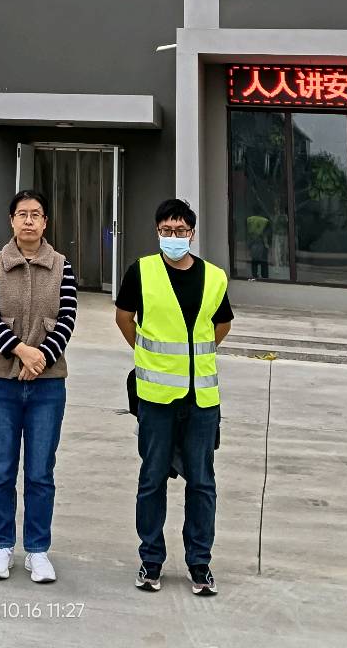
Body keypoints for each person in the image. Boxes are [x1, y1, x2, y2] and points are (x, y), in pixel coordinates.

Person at [115, 198, 233, 597]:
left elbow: (222, 324)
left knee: (202, 483)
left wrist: (195, 357)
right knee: (152, 479)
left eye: (180, 231)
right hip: (156, 398)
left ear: (192, 234)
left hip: (201, 400)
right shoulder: (142, 271)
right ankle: (151, 560)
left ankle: (200, 563)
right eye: (166, 230)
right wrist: (146, 354)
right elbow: (124, 317)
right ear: (157, 232)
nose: (173, 237)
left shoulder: (214, 277)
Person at [0, 188, 77, 585]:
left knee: (40, 472)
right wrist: (22, 351)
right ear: (12, 220)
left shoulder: (62, 266)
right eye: (22, 214)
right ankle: (1, 547)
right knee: (1, 469)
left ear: (46, 222)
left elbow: (67, 317)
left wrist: (41, 360)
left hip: (47, 386)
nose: (29, 221)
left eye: (36, 214)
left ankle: (38, 550)